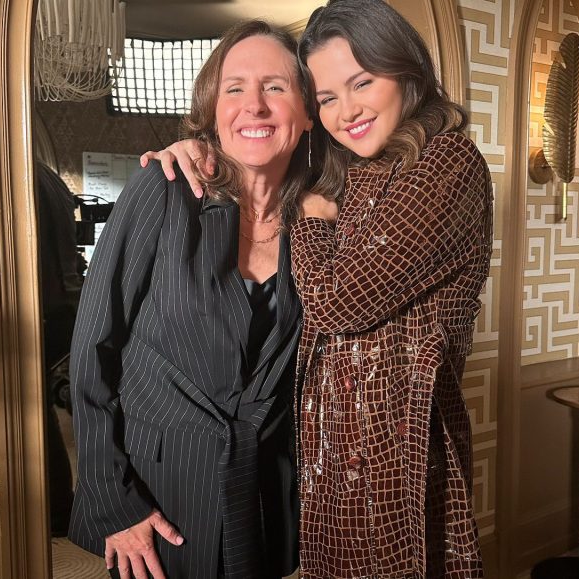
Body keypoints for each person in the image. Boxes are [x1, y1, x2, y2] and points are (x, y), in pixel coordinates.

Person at [142, 1, 493, 577]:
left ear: (406, 71)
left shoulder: (446, 160)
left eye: (362, 82)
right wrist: (199, 149)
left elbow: (334, 303)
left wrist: (309, 219)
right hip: (331, 446)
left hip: (396, 442)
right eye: (327, 98)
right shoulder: (359, 169)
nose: (346, 111)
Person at [68, 20, 316, 579]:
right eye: (235, 88)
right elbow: (92, 350)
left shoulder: (320, 220)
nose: (254, 105)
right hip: (158, 493)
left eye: (275, 87)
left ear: (306, 111)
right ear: (213, 110)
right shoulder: (164, 189)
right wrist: (113, 499)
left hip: (261, 496)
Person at [35, 161, 83, 537]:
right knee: (63, 404)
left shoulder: (21, 173)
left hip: (46, 308)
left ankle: (59, 511)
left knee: (40, 411)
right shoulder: (51, 179)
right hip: (67, 303)